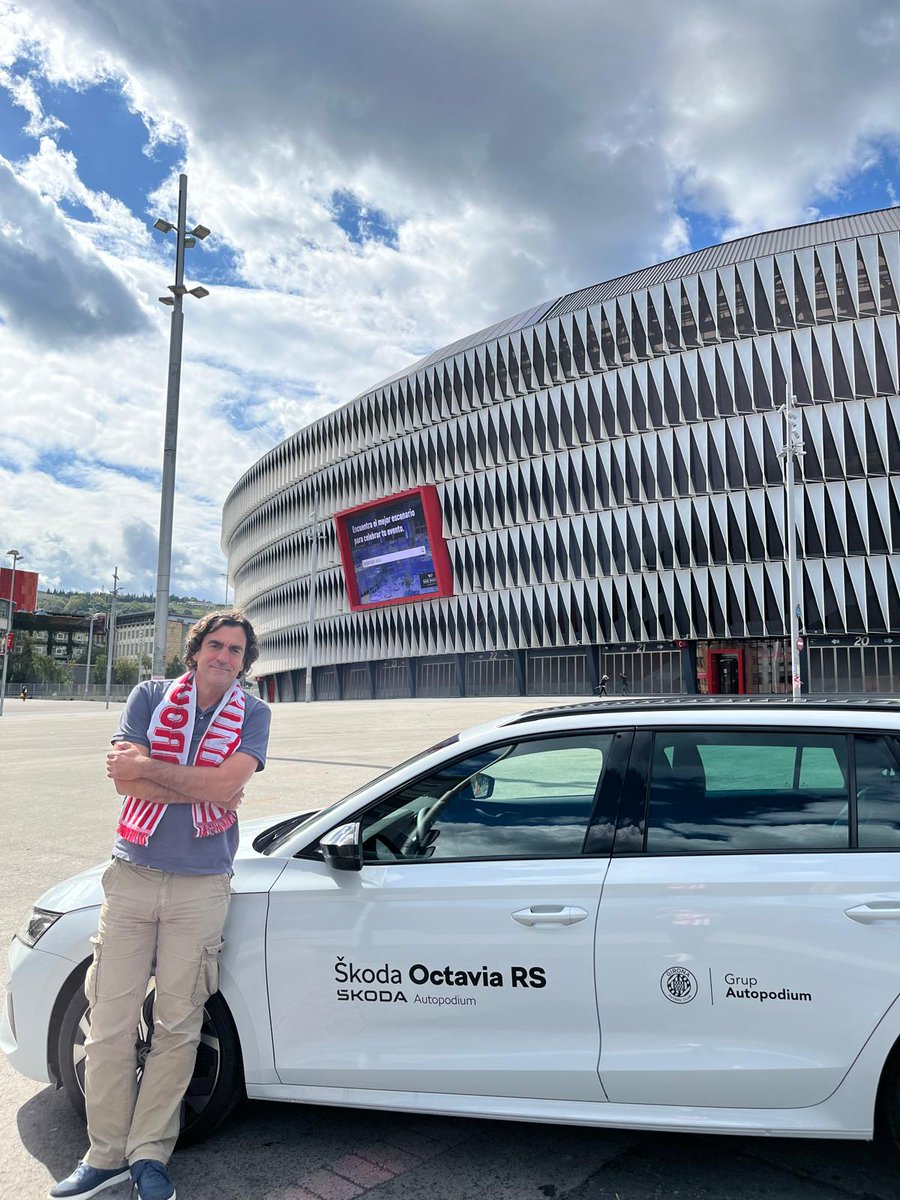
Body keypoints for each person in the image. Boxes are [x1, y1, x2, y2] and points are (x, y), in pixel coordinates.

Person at [51, 612, 271, 1200]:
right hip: (133, 876)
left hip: (202, 886)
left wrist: (155, 769)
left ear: (243, 661)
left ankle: (150, 1155)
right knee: (110, 1022)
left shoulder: (254, 713)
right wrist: (197, 778)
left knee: (178, 1025)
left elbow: (224, 788)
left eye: (236, 650)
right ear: (196, 650)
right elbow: (126, 783)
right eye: (216, 645)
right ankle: (103, 1156)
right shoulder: (149, 696)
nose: (225, 656)